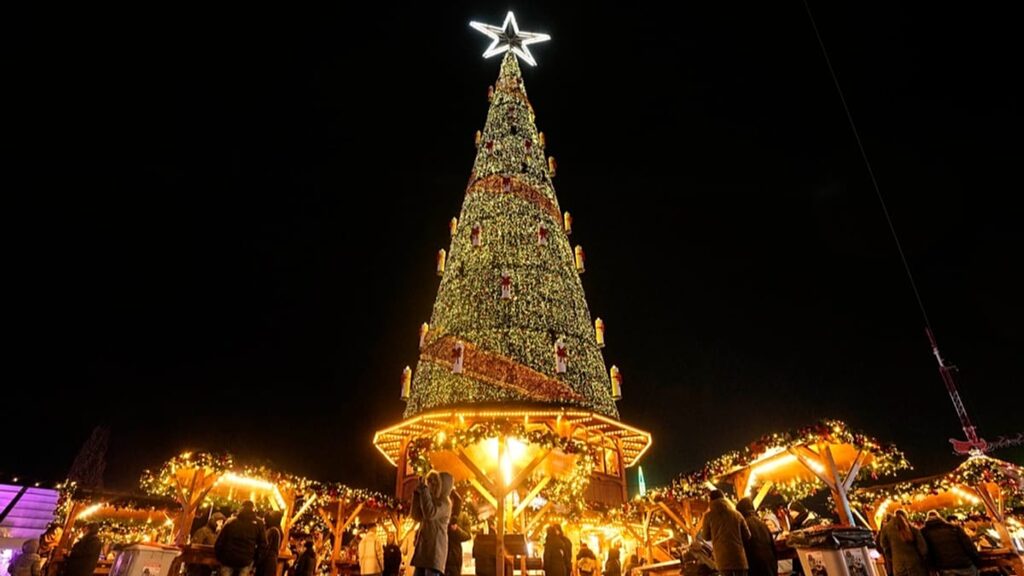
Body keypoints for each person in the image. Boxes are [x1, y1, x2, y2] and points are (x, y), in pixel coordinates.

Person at [410, 471, 453, 576]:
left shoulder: (445, 503)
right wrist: (417, 494)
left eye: (436, 483)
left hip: (434, 554)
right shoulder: (430, 500)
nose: (433, 486)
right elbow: (416, 515)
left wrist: (424, 490)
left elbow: (430, 513)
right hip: (423, 552)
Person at [699, 490, 751, 576]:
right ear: (724, 498)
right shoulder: (737, 514)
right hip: (739, 558)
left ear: (710, 500)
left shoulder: (709, 516)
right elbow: (747, 535)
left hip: (722, 559)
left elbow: (705, 536)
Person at [920, 510, 981, 576]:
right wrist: (977, 561)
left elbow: (926, 553)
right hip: (965, 565)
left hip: (945, 569)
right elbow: (969, 546)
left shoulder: (924, 532)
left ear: (926, 519)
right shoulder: (954, 528)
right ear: (940, 518)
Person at [215, 501, 268, 576]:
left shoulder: (231, 521)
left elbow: (220, 541)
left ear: (241, 508)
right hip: (246, 561)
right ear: (253, 509)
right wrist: (255, 560)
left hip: (228, 559)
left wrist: (220, 557)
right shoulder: (259, 523)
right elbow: (263, 544)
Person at [878, 509, 928, 576]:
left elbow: (884, 546)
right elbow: (923, 548)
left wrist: (892, 557)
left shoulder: (886, 529)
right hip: (916, 564)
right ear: (905, 516)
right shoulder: (912, 528)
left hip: (898, 565)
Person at [735, 498, 777, 576]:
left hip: (754, 566)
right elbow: (772, 545)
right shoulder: (762, 524)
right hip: (770, 564)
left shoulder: (743, 525)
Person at [445, 494, 470, 576]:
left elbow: (467, 535)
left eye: (451, 499)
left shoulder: (463, 516)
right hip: (440, 554)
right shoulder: (441, 514)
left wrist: (456, 529)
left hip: (455, 555)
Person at [256, 511, 284, 576]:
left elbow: (265, 547)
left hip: (267, 562)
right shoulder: (279, 530)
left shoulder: (272, 530)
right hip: (272, 561)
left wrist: (258, 560)